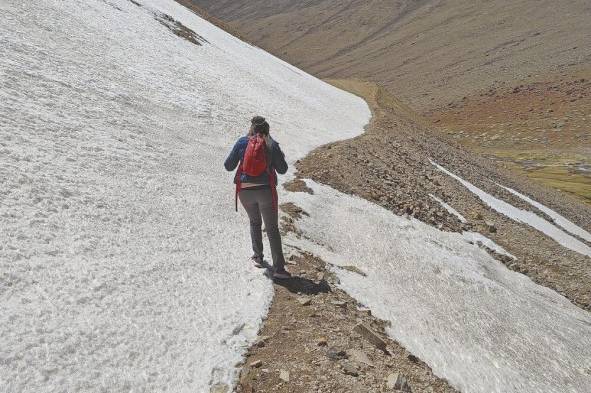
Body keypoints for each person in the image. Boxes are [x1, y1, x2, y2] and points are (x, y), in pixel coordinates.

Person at [224, 116, 291, 279]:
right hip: (266, 191)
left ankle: (258, 257)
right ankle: (279, 269)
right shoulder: (271, 144)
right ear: (267, 130)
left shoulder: (242, 142)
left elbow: (228, 166)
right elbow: (283, 169)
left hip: (245, 191)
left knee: (255, 221)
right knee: (272, 228)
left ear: (252, 128)